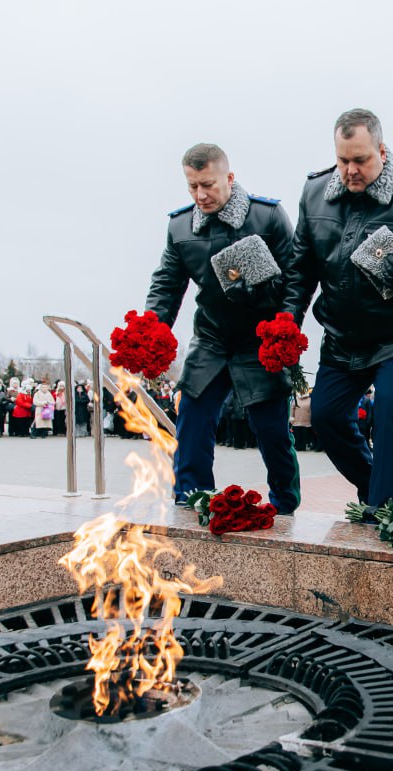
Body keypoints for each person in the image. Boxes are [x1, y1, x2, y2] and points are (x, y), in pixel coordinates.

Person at [282, 108, 393, 517]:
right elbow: (300, 268)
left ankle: (384, 512)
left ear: (381, 149)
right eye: (343, 160)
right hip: (342, 335)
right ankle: (374, 485)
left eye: (360, 160)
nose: (350, 171)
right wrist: (287, 320)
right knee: (324, 417)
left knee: (392, 414)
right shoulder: (314, 191)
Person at [144, 143, 300, 512]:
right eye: (193, 186)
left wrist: (282, 320)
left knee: (272, 430)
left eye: (208, 185)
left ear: (229, 178)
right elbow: (166, 284)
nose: (201, 195)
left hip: (258, 339)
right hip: (211, 337)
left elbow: (296, 277)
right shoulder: (180, 225)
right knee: (192, 421)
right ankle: (192, 498)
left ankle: (285, 503)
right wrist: (151, 330)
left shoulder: (268, 217)